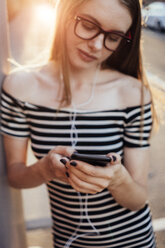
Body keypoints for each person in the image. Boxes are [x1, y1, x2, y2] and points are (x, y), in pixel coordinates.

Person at [1, 0, 157, 247]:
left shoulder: (132, 93)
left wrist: (117, 179)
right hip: (68, 243)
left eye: (113, 37)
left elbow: (137, 199)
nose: (96, 45)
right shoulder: (19, 89)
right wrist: (45, 170)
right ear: (64, 13)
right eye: (87, 25)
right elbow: (15, 175)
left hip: (134, 241)